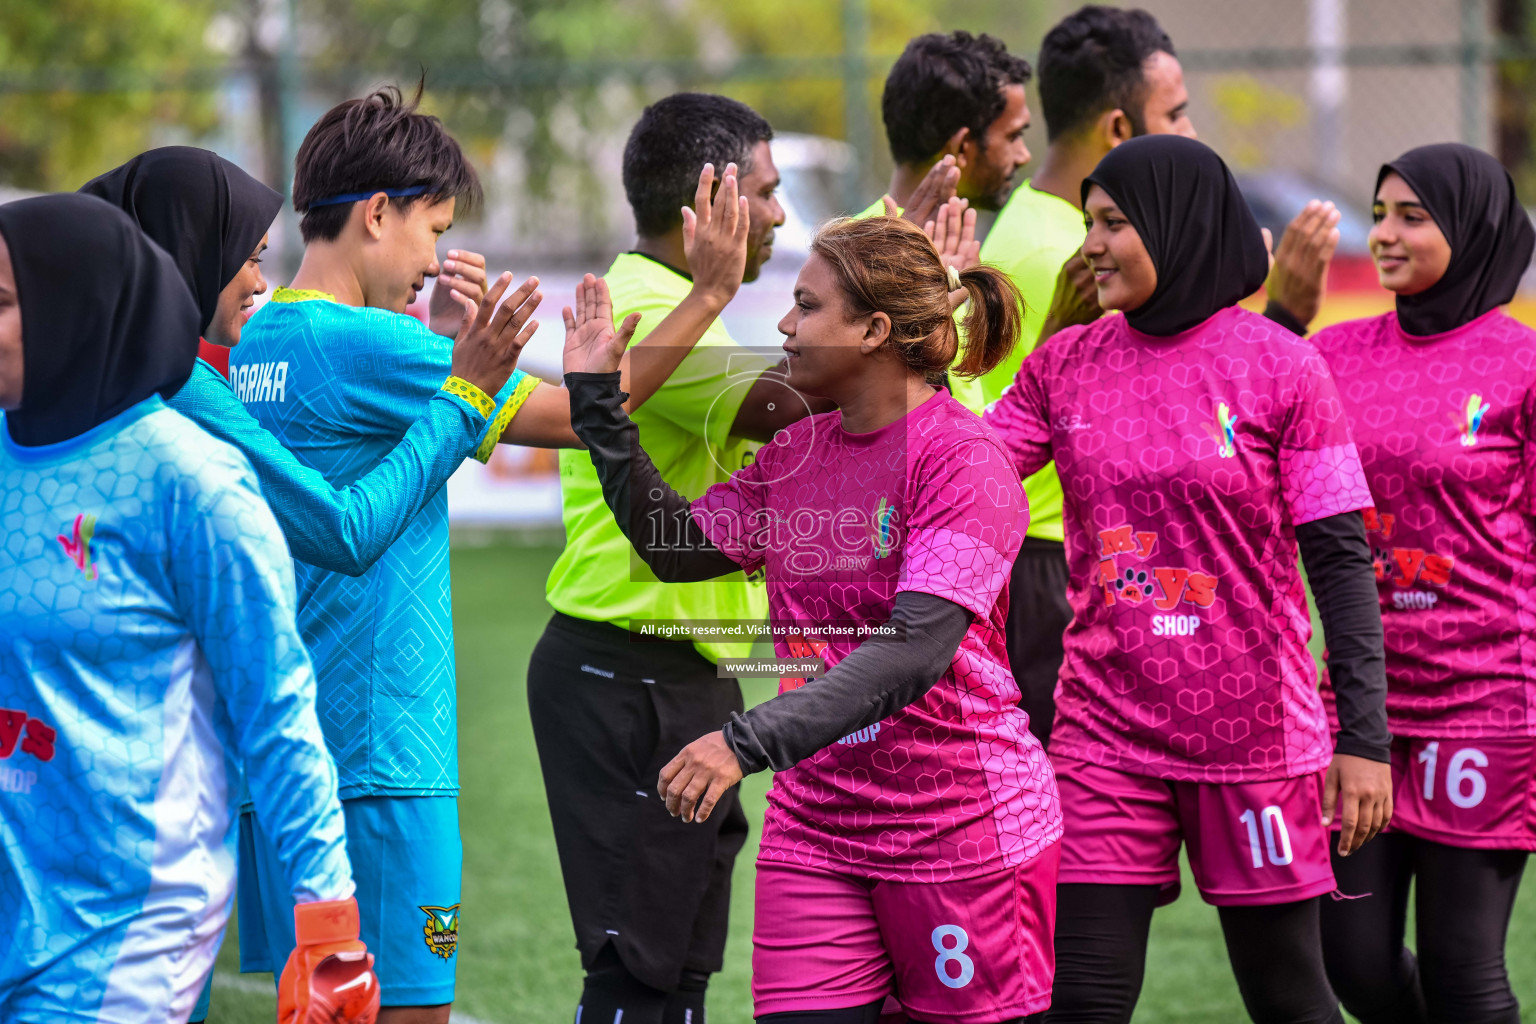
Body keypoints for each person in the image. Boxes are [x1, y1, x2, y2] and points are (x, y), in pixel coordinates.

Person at [230, 86, 753, 1024]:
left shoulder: (262, 333)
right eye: (432, 228)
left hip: (288, 740)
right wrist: (710, 292)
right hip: (384, 749)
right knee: (412, 1012)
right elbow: (581, 414)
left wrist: (444, 353)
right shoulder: (371, 341)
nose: (434, 260)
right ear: (376, 213)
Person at [564, 212, 1061, 1024]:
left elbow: (911, 653)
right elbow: (677, 547)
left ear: (874, 329)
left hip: (960, 831)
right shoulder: (798, 449)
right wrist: (599, 409)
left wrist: (745, 739)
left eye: (806, 305)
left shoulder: (964, 461)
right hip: (816, 829)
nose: (785, 326)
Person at [983, 135, 1393, 1024]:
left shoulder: (1287, 367)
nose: (1091, 244)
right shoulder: (1064, 364)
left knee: (1288, 995)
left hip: (1253, 741)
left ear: (1179, 224)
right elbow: (963, 470)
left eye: (1114, 223)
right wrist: (924, 347)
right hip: (1103, 734)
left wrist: (1364, 739)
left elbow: (1340, 564)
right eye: (1089, 222)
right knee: (1082, 996)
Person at [0, 193, 377, 1023]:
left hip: (126, 930)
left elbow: (276, 711)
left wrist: (329, 924)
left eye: (1, 303)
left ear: (73, 308)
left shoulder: (190, 484)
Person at [529, 91, 834, 1024]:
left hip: (672, 671)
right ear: (713, 199)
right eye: (771, 193)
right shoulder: (652, 303)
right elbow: (797, 406)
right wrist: (903, 292)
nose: (782, 216)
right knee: (640, 972)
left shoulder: (674, 301)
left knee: (682, 967)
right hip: (627, 675)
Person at [980, 4, 1345, 750]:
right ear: (1120, 128)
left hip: (1097, 566)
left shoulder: (1029, 223)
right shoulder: (1079, 263)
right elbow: (1182, 405)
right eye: (1176, 115)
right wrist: (1281, 317)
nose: (1191, 135)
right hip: (1067, 569)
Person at [1312, 143, 1536, 1024]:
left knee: (1463, 975)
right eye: (1379, 213)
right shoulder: (1332, 355)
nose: (1385, 235)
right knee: (1353, 963)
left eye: (1412, 216)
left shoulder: (1522, 364)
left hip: (1485, 701)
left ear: (1472, 229)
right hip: (1361, 704)